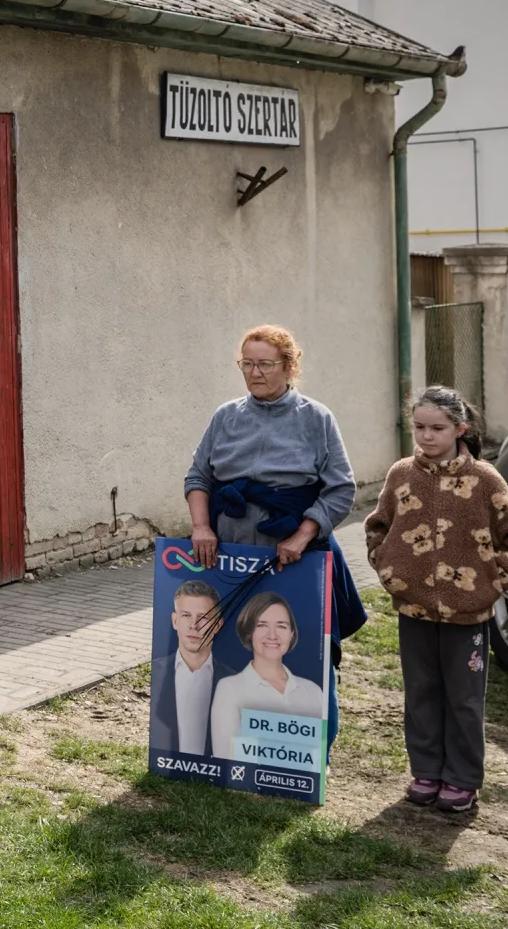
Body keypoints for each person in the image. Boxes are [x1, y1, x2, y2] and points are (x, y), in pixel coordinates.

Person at [184, 324, 368, 741]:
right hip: (229, 552)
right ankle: (232, 747)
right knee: (232, 647)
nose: (255, 372)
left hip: (294, 557)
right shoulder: (226, 416)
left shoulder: (316, 418)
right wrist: (201, 527)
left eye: (265, 363)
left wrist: (302, 536)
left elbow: (340, 488)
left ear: (289, 366)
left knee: (306, 654)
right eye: (246, 364)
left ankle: (310, 755)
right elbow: (199, 476)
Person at [364, 386, 508, 814]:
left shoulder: (485, 480)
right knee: (420, 691)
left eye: (437, 428)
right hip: (414, 611)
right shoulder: (401, 474)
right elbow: (378, 526)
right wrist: (390, 570)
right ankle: (426, 771)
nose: (426, 436)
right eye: (419, 427)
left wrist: (490, 583)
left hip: (467, 618)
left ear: (460, 428)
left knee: (463, 697)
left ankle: (461, 779)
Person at [209, 592, 328, 761]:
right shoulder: (229, 688)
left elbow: (314, 757)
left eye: (281, 626)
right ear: (250, 632)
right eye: (262, 625)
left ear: (292, 634)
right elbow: (224, 757)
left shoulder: (313, 691)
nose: (272, 635)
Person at [150, 579, 222, 755]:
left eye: (203, 617)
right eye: (186, 615)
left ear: (217, 625)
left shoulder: (232, 681)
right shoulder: (157, 673)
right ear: (175, 621)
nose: (194, 625)